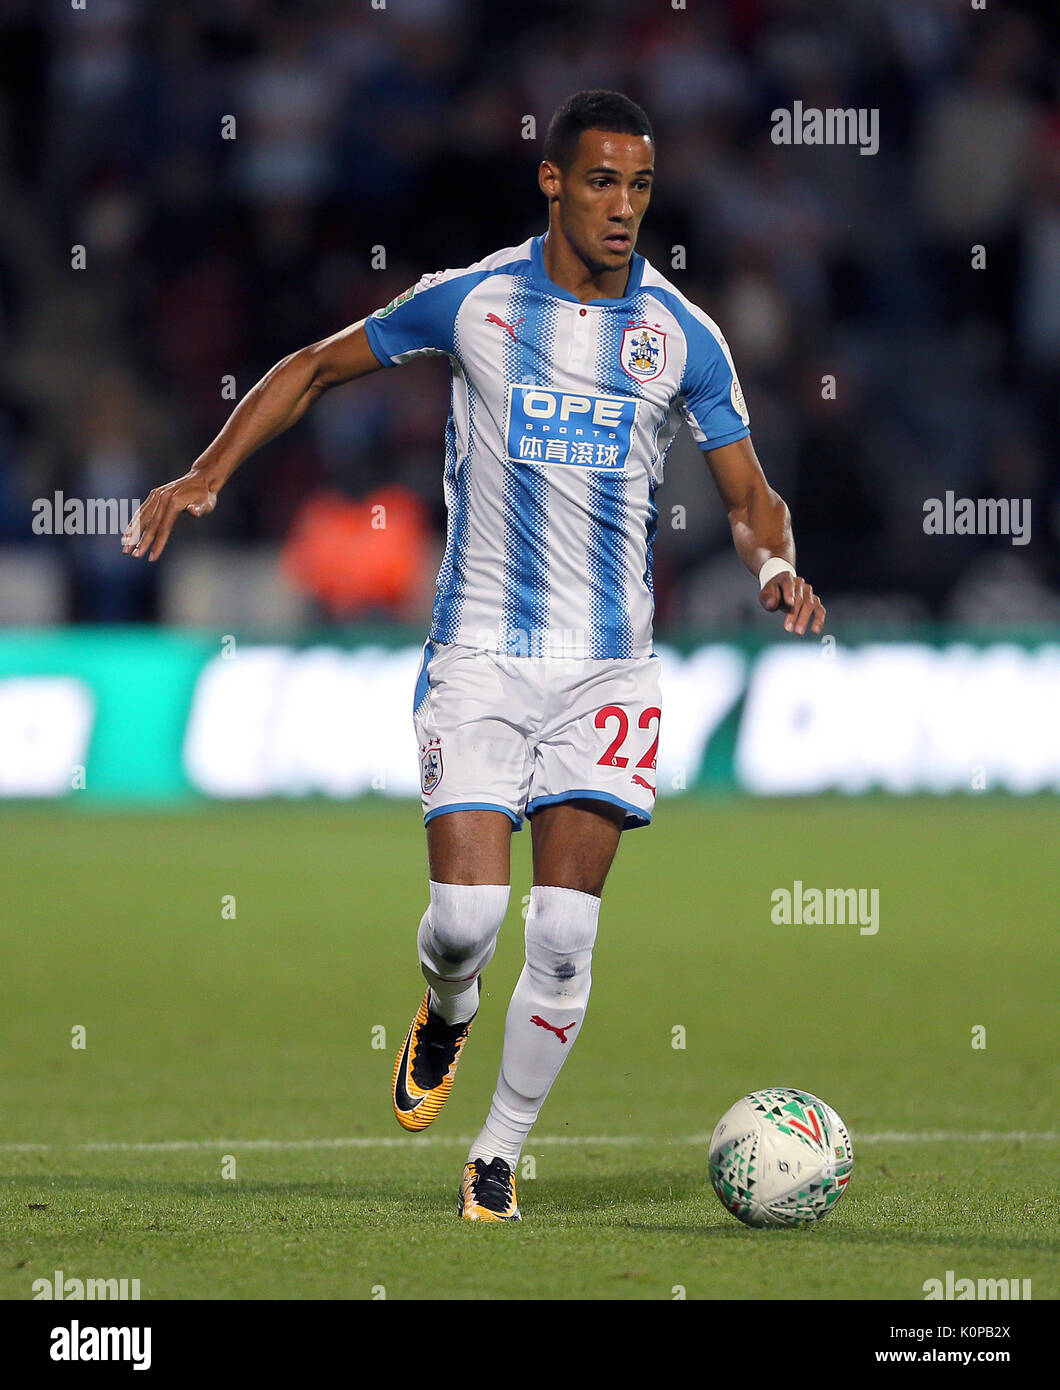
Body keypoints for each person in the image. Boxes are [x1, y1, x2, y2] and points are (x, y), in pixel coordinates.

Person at [123, 90, 825, 1222]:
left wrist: (770, 568)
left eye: (640, 188)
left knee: (563, 930)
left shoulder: (683, 335)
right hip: (479, 658)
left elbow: (749, 497)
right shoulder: (473, 301)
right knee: (465, 927)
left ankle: (498, 1152)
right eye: (600, 181)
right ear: (552, 181)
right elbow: (311, 364)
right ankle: (445, 1013)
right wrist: (207, 470)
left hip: (609, 668)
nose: (622, 208)